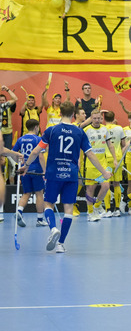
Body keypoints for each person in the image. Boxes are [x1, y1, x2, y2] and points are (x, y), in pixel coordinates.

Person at [21, 101, 111, 253]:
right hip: (71, 175)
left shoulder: (51, 130)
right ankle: (61, 244)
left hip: (53, 173)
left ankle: (54, 228)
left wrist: (27, 165)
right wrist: (103, 172)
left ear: (60, 113)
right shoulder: (79, 132)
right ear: (74, 115)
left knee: (48, 204)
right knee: (68, 209)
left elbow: (36, 151)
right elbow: (90, 154)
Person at [6, 118, 45, 227]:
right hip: (36, 169)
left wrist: (18, 164)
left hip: (24, 170)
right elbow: (40, 156)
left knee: (26, 193)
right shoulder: (38, 139)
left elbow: (13, 153)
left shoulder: (20, 139)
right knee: (39, 193)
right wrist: (45, 171)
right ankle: (40, 220)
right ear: (36, 127)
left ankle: (19, 211)